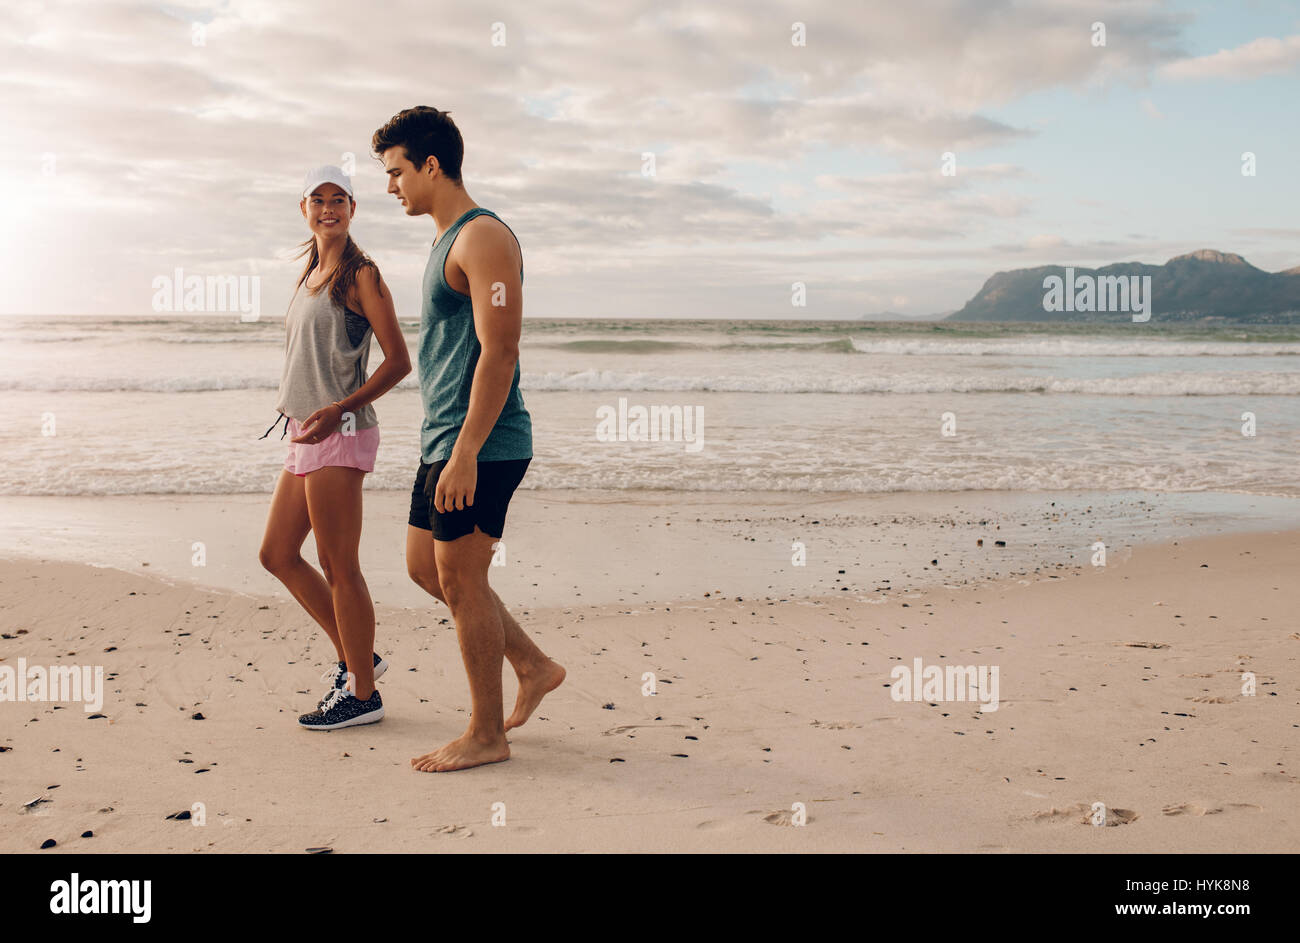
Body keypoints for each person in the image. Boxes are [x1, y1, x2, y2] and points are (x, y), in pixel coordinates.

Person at [371, 106, 565, 771]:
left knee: (460, 576)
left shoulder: (482, 238)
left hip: (482, 441)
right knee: (429, 569)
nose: (390, 186)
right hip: (446, 437)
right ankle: (532, 665)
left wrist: (464, 453)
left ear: (432, 165)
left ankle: (487, 733)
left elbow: (500, 350)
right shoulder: (446, 237)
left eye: (396, 172)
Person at [258, 165, 412, 730]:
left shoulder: (360, 274)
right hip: (306, 431)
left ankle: (362, 693)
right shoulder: (310, 271)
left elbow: (399, 361)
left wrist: (339, 409)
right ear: (304, 209)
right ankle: (358, 654)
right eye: (318, 200)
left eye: (339, 199)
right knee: (276, 554)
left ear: (353, 208)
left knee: (338, 564)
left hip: (341, 431)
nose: (328, 208)